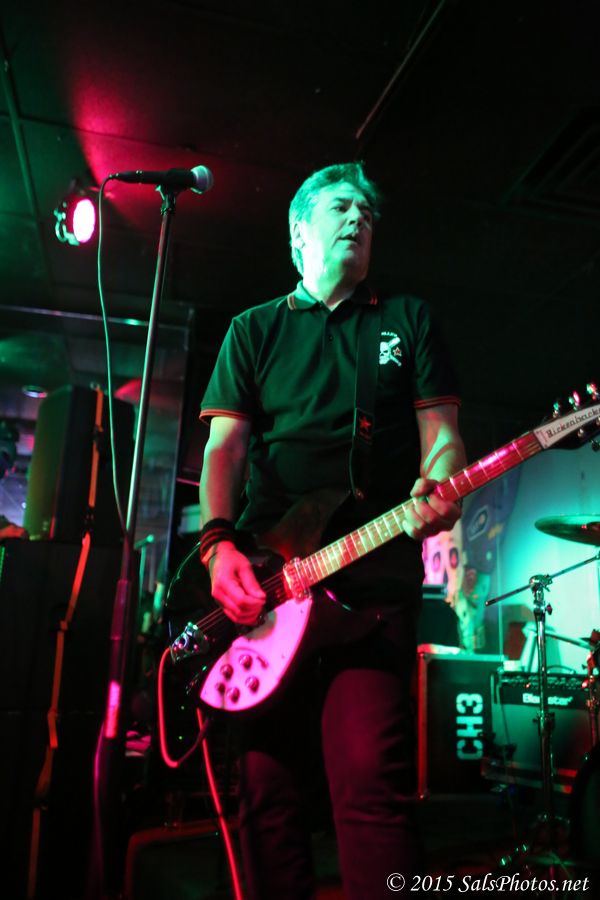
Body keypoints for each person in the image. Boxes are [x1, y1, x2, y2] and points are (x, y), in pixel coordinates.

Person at [197, 161, 466, 899]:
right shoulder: (253, 329)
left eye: (367, 214)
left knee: (370, 785)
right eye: (341, 206)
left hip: (370, 590)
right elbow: (225, 449)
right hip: (272, 587)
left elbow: (443, 438)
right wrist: (217, 543)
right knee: (266, 796)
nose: (358, 219)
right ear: (298, 230)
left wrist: (441, 485)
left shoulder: (406, 320)